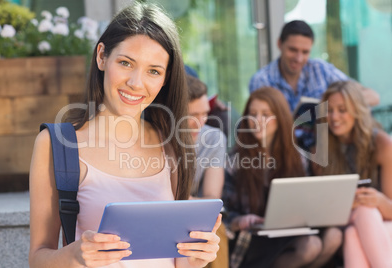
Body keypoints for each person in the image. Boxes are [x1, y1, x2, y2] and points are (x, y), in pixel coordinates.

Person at [28, 2, 221, 268]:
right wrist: (74, 255)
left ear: (165, 79)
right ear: (101, 57)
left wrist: (196, 258)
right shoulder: (57, 144)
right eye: (126, 63)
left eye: (154, 71)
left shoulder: (171, 142)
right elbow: (38, 258)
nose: (136, 83)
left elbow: (177, 262)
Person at [222, 87, 342, 268]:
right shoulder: (234, 161)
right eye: (253, 114)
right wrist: (238, 221)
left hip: (290, 232)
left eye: (266, 115)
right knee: (310, 247)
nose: (258, 121)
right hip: (254, 239)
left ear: (280, 118)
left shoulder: (299, 157)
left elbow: (310, 201)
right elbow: (221, 210)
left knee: (334, 236)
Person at [315, 80, 392, 268]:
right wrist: (348, 207)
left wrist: (379, 201)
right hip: (350, 225)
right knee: (352, 231)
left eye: (342, 110)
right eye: (329, 110)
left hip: (385, 226)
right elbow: (321, 216)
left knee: (364, 213)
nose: (334, 117)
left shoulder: (382, 144)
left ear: (357, 110)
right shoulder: (319, 152)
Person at [248, 20, 379, 112]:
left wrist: (336, 105)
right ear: (279, 44)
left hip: (325, 145)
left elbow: (373, 97)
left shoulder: (320, 69)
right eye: (293, 50)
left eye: (305, 52)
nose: (299, 58)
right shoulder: (262, 80)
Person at [185, 74, 229, 268]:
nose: (200, 123)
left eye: (204, 114)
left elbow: (212, 201)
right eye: (192, 116)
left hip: (193, 215)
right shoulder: (153, 138)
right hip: (160, 215)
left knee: (216, 232)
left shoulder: (213, 138)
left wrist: (180, 201)